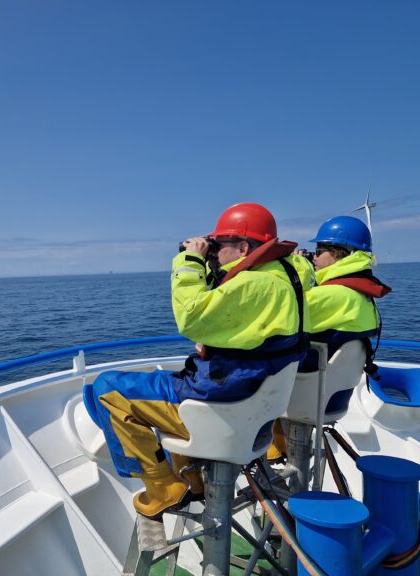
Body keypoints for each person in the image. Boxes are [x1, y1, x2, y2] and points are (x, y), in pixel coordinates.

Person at [83, 203, 314, 518]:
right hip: (252, 402)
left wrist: (189, 261)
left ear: (244, 247)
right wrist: (210, 264)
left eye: (220, 246)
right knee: (168, 381)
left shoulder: (253, 285)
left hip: (223, 407)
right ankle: (193, 478)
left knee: (107, 388)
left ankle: (163, 488)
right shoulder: (284, 279)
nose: (215, 252)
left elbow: (191, 317)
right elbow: (234, 314)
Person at [267, 215, 391, 462]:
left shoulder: (335, 295)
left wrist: (288, 271)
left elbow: (276, 317)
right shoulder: (359, 292)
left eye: (319, 251)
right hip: (330, 393)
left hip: (307, 391)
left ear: (341, 254)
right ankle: (277, 451)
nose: (313, 257)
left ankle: (267, 451)